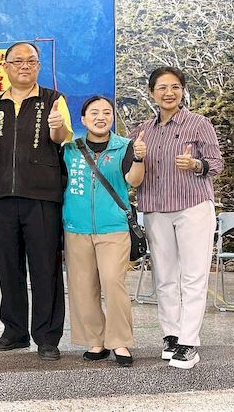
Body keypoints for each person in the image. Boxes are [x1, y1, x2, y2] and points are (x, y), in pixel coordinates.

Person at [129, 66, 223, 369]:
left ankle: (189, 342)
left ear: (182, 91)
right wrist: (136, 154)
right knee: (165, 277)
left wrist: (196, 164)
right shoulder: (142, 130)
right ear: (152, 93)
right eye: (162, 88)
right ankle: (171, 335)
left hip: (192, 206)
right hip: (155, 209)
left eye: (175, 87)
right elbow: (128, 167)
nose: (169, 93)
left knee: (193, 276)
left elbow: (216, 163)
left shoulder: (199, 124)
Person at [0, 42, 73, 361]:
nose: (24, 66)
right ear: (5, 66)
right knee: (8, 266)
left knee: (45, 267)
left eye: (31, 61)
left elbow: (62, 138)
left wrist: (56, 126)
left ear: (38, 66)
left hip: (42, 196)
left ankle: (47, 337)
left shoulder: (53, 99)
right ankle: (15, 331)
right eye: (17, 61)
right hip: (1, 196)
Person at [62, 96, 145, 367]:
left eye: (107, 112)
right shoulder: (70, 149)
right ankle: (94, 340)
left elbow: (134, 180)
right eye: (94, 112)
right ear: (83, 119)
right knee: (83, 286)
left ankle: (119, 341)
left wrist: (139, 158)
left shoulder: (125, 146)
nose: (101, 117)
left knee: (113, 282)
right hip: (76, 227)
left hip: (113, 228)